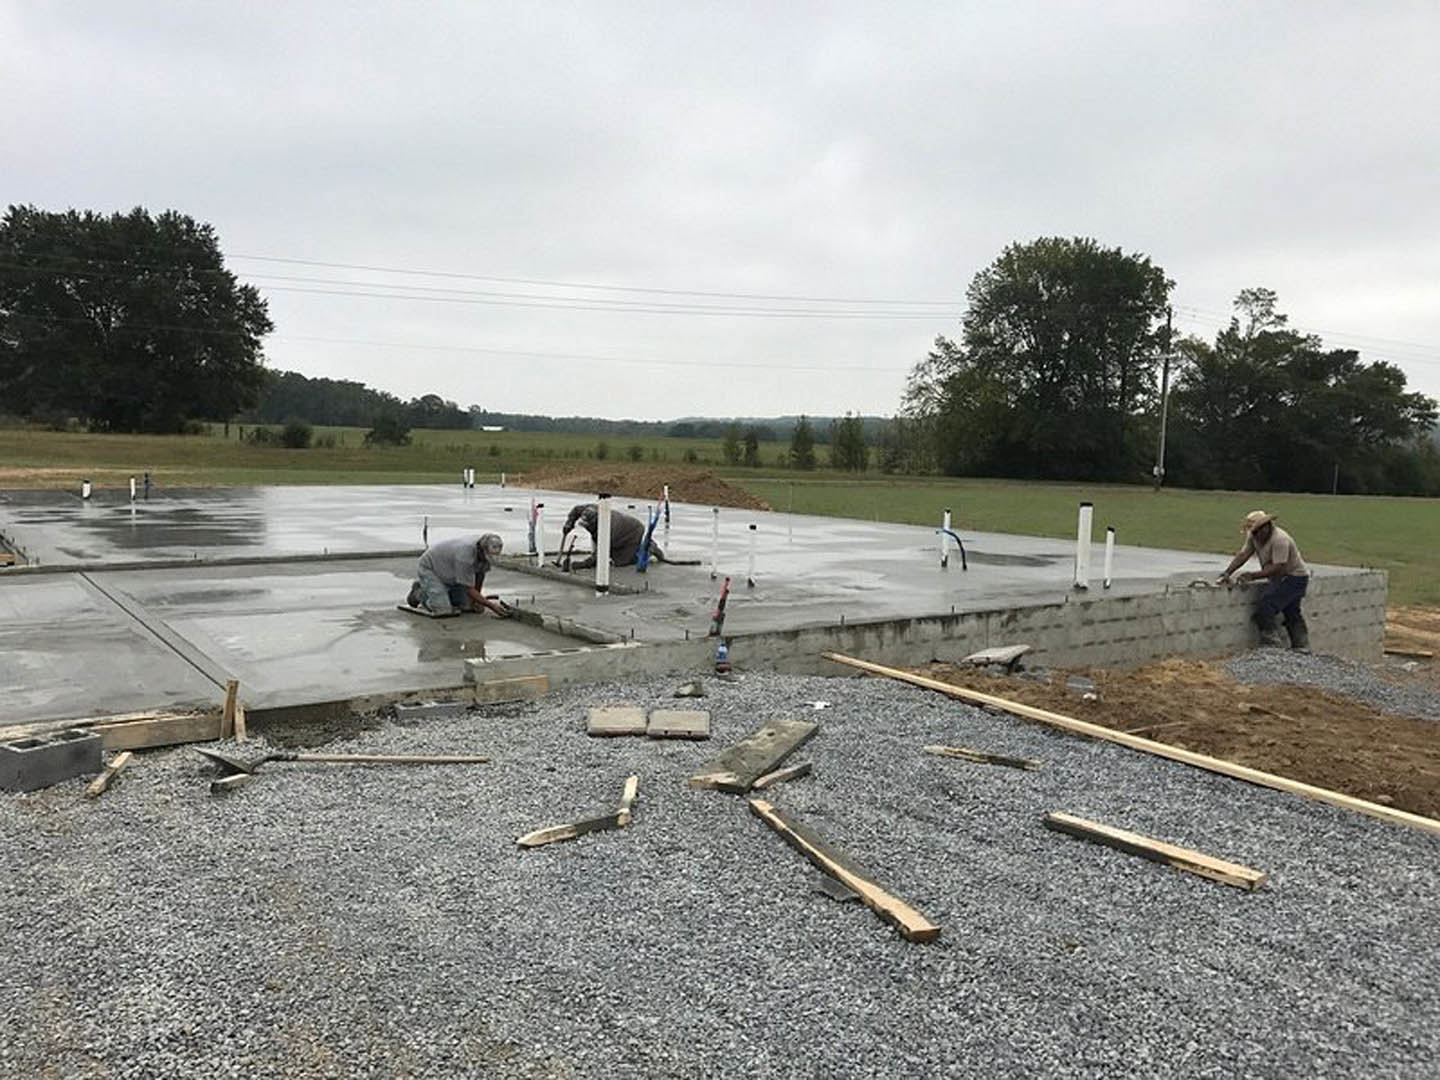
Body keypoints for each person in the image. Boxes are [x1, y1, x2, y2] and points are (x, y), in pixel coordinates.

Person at [1217, 510, 1309, 650]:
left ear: (1266, 527)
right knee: (1291, 612)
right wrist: (1227, 573)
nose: (1255, 535)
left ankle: (1273, 646)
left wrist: (1253, 576)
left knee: (1265, 606)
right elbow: (1243, 555)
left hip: (1294, 577)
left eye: (1256, 531)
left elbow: (1280, 567)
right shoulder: (1254, 536)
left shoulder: (1280, 540)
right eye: (1253, 532)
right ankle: (1302, 646)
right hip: (1280, 577)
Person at [405, 533, 511, 616]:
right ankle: (418, 593)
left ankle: (441, 592)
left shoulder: (484, 550)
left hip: (451, 574)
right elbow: (468, 588)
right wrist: (490, 605)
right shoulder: (465, 556)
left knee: (466, 607)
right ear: (480, 549)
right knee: (443, 609)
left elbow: (480, 575)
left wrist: (476, 601)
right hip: (431, 569)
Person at [559, 503, 663, 570]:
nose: (584, 527)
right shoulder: (590, 509)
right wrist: (569, 523)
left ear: (595, 522)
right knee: (613, 554)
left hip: (633, 532)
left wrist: (583, 564)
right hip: (621, 529)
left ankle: (649, 548)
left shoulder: (608, 528)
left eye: (586, 525)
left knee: (621, 562)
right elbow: (576, 510)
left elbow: (602, 553)